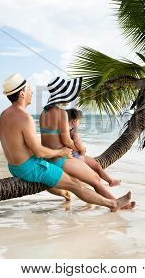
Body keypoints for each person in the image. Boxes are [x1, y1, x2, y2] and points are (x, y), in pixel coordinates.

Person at [0, 73, 131, 212]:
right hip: (29, 167)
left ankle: (101, 200)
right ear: (22, 94)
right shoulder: (25, 117)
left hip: (14, 167)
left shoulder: (4, 115)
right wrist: (61, 152)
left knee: (76, 180)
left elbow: (20, 145)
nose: (31, 92)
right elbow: (39, 151)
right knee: (77, 183)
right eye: (29, 89)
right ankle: (114, 204)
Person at [39, 76, 135, 209]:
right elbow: (66, 140)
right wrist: (77, 150)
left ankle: (118, 203)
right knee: (95, 179)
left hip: (49, 158)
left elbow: (50, 138)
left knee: (91, 178)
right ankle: (119, 204)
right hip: (61, 159)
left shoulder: (44, 113)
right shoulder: (61, 113)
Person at [65, 108, 121, 187]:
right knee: (97, 166)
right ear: (74, 122)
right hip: (78, 157)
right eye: (79, 122)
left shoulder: (64, 132)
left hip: (69, 158)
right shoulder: (74, 132)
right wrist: (82, 150)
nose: (80, 124)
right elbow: (78, 143)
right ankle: (110, 181)